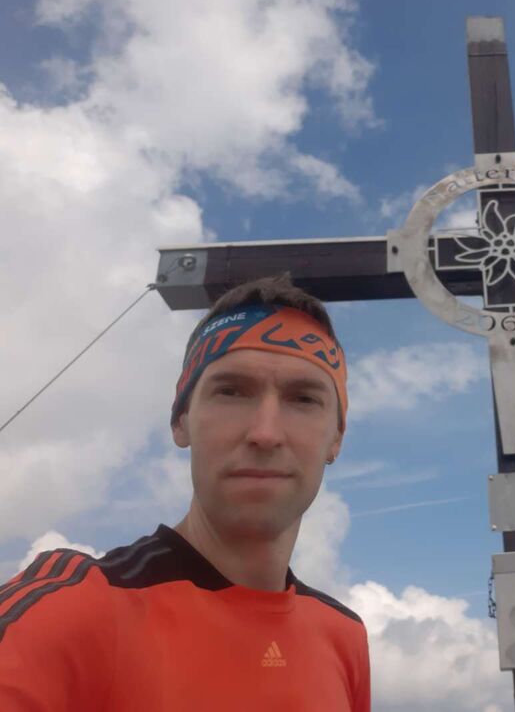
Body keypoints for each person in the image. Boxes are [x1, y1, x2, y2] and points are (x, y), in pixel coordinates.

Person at [0, 273, 370, 711]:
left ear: (336, 438)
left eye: (303, 399)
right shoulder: (73, 609)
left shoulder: (343, 635)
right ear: (181, 421)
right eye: (231, 392)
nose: (266, 433)